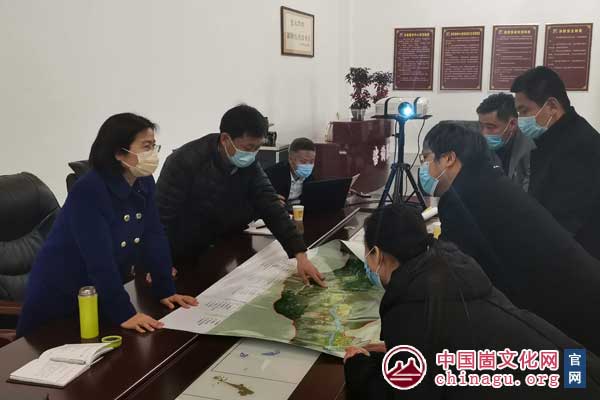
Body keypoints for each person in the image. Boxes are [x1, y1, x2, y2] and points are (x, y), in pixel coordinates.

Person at [343, 204, 600, 399]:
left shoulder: (410, 310)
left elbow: (405, 393)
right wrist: (408, 350)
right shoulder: (449, 269)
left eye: (367, 254)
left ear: (377, 254)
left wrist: (358, 369)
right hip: (580, 370)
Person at [418, 123, 600, 355]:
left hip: (571, 308)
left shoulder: (464, 198)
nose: (424, 167)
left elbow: (453, 269)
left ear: (448, 158)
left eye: (426, 158)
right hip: (579, 290)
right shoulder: (487, 180)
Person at [17, 113, 198, 337]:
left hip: (103, 294)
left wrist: (165, 290)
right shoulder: (89, 190)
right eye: (146, 146)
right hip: (63, 298)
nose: (152, 154)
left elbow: (154, 236)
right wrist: (124, 313)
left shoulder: (143, 181)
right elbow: (98, 259)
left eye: (154, 146)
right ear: (119, 152)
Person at [156, 105, 326, 287]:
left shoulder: (248, 162)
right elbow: (159, 218)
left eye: (257, 147)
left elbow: (269, 203)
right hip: (175, 252)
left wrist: (300, 255)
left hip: (214, 248)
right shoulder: (184, 161)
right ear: (225, 139)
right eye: (248, 147)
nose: (252, 154)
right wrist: (158, 261)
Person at [511, 66, 600, 260]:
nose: (521, 120)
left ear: (551, 105)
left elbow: (566, 219)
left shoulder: (580, 145)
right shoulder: (554, 138)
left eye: (524, 111)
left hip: (578, 257)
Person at [476, 93, 535, 191]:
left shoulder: (531, 148)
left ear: (512, 124)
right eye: (481, 126)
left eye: (490, 127)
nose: (484, 133)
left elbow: (529, 193)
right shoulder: (479, 145)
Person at [265, 137, 316, 207]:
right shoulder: (272, 174)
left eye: (311, 162)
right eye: (303, 162)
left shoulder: (311, 178)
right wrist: (269, 200)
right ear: (290, 160)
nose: (308, 166)